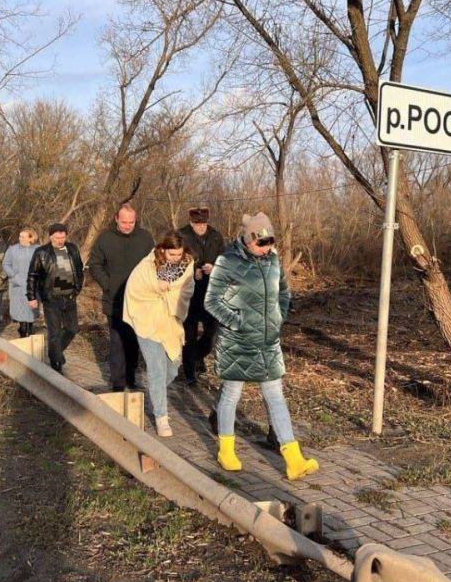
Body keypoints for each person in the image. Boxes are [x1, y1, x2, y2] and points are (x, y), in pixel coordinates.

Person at [204, 213, 318, 481]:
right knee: (231, 395)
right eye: (261, 242)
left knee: (275, 396)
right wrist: (238, 321)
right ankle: (226, 451)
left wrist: (278, 316)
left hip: (267, 342)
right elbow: (212, 301)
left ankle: (293, 459)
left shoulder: (272, 260)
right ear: (248, 239)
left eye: (270, 241)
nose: (266, 248)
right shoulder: (227, 260)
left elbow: (284, 292)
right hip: (237, 342)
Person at [123, 231, 195, 437]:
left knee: (171, 369)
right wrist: (157, 288)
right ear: (163, 250)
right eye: (172, 254)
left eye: (179, 254)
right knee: (156, 369)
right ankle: (161, 417)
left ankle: (155, 393)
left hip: (170, 323)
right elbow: (134, 289)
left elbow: (186, 291)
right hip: (148, 322)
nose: (176, 258)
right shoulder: (147, 265)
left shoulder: (188, 265)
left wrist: (169, 292)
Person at [88, 203, 154, 391]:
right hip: (115, 299)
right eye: (124, 222)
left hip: (140, 301)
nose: (127, 225)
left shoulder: (145, 238)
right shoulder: (105, 238)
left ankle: (130, 377)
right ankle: (117, 382)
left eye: (131, 222)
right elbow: (94, 264)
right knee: (117, 342)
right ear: (116, 219)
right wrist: (108, 284)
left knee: (133, 342)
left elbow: (155, 263)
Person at [26, 223, 84, 372]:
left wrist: (78, 288)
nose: (60, 240)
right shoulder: (41, 252)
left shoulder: (72, 249)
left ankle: (55, 353)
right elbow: (32, 275)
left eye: (63, 237)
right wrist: (31, 297)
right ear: (51, 236)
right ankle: (56, 362)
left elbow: (79, 269)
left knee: (72, 329)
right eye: (57, 237)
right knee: (55, 332)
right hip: (52, 298)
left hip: (70, 297)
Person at [177, 206, 225, 385]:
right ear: (191, 222)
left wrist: (214, 267)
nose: (201, 226)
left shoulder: (216, 236)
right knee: (189, 334)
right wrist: (192, 270)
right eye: (197, 223)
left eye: (204, 223)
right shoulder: (181, 235)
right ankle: (189, 372)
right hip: (188, 293)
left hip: (211, 292)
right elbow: (173, 260)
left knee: (211, 332)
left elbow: (224, 259)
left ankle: (197, 356)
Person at [3, 227, 39, 337]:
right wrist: (13, 275)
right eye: (20, 236)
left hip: (33, 284)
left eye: (23, 237)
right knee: (20, 309)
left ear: (31, 238)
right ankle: (23, 330)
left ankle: (30, 327)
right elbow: (5, 264)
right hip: (17, 285)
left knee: (31, 309)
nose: (20, 239)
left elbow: (43, 265)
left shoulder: (37, 250)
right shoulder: (12, 249)